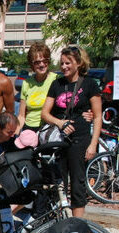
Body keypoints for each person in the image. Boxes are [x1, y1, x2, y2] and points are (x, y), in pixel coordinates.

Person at [41, 46, 102, 218]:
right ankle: (59, 219)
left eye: (68, 63)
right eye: (62, 63)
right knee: (59, 182)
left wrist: (93, 145)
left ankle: (76, 223)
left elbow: (97, 116)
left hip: (80, 139)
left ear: (78, 63)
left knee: (77, 183)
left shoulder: (89, 84)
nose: (64, 66)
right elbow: (45, 113)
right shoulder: (57, 84)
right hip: (59, 139)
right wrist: (60, 123)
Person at [17, 42, 59, 132]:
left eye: (45, 61)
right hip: (29, 129)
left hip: (49, 128)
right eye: (37, 62)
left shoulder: (56, 79)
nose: (42, 65)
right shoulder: (26, 83)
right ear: (32, 64)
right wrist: (15, 133)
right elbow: (21, 116)